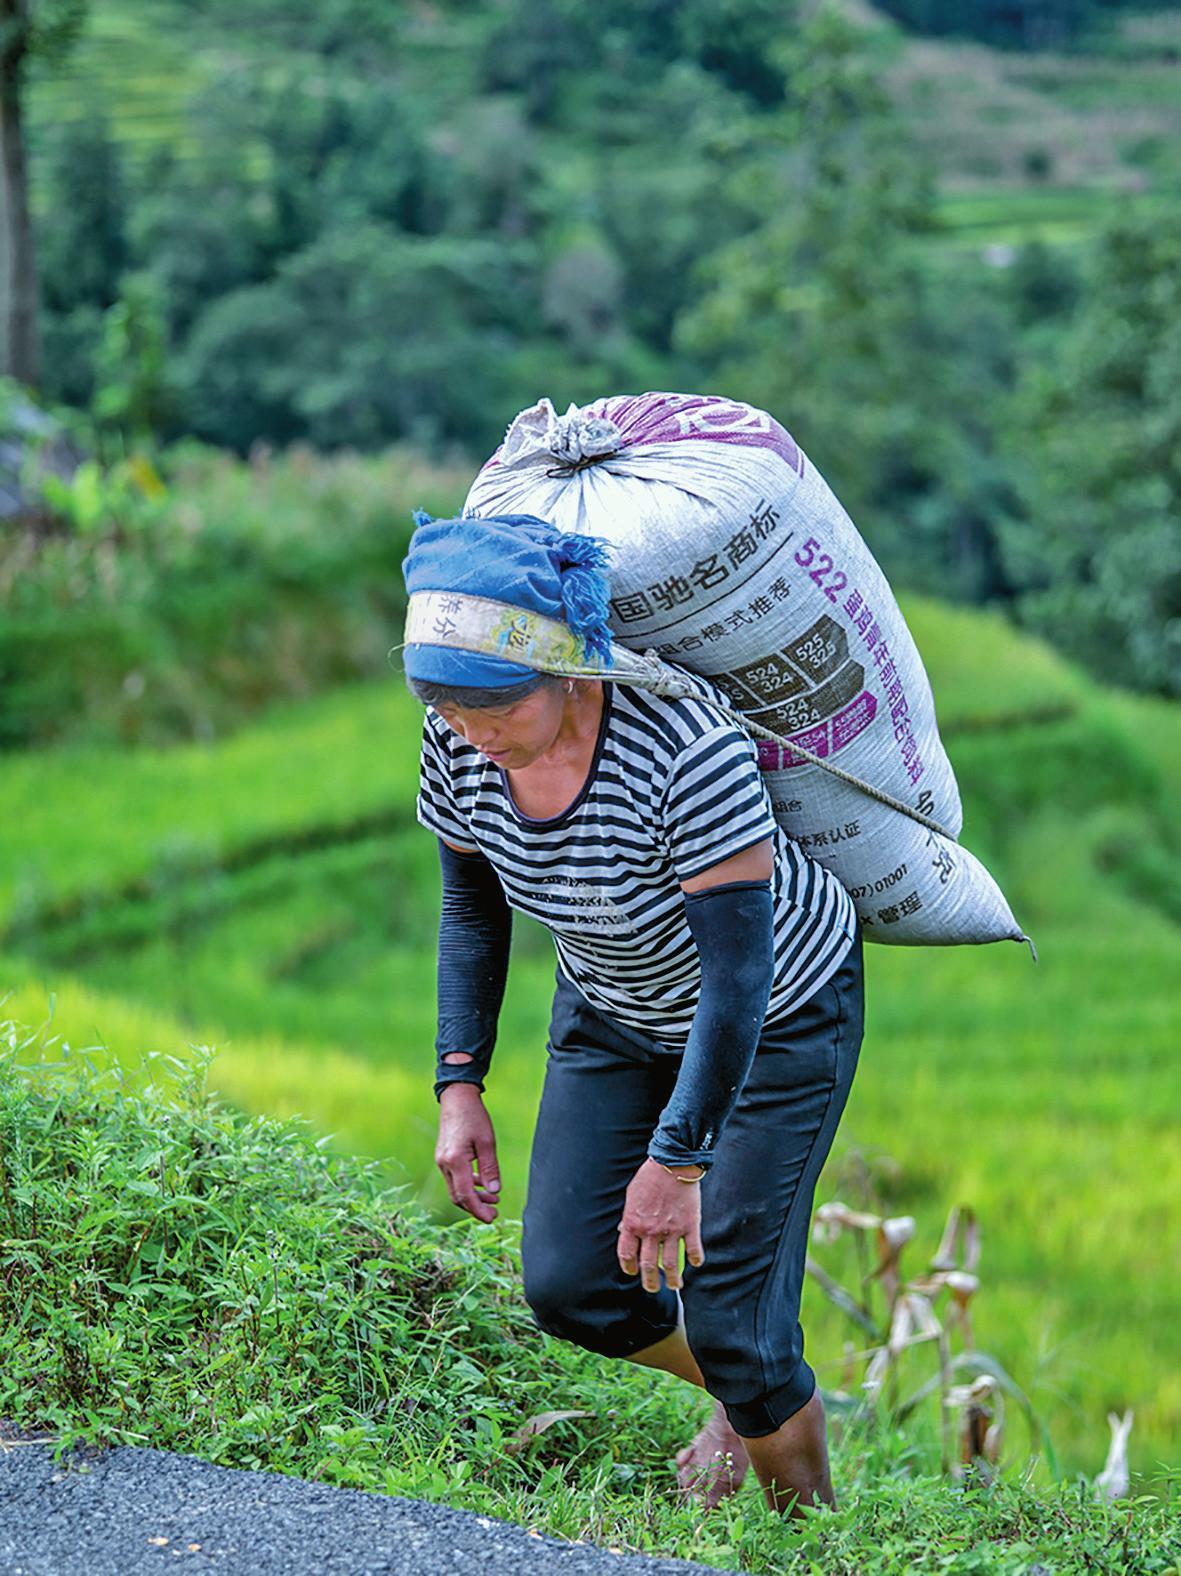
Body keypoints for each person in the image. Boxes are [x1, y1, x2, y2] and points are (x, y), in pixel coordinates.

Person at [402, 512, 863, 1516]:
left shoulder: (684, 754)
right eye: (445, 708)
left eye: (494, 708)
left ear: (567, 671)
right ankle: (748, 1397)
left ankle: (811, 1537)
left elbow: (739, 979)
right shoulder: (459, 742)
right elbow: (470, 906)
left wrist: (679, 1159)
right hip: (614, 1002)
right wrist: (457, 1080)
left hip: (773, 1015)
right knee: (574, 1285)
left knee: (737, 1322)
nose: (473, 736)